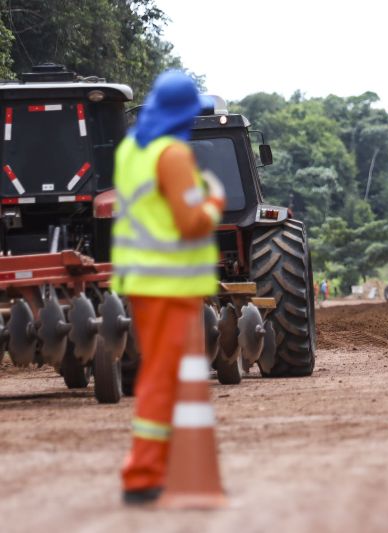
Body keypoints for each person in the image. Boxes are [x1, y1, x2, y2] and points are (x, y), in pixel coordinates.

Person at [112, 71, 225, 505]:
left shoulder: (130, 152)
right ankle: (141, 475)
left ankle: (151, 469)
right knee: (162, 378)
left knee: (160, 376)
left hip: (143, 281)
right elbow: (190, 221)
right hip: (170, 286)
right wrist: (213, 200)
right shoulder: (173, 156)